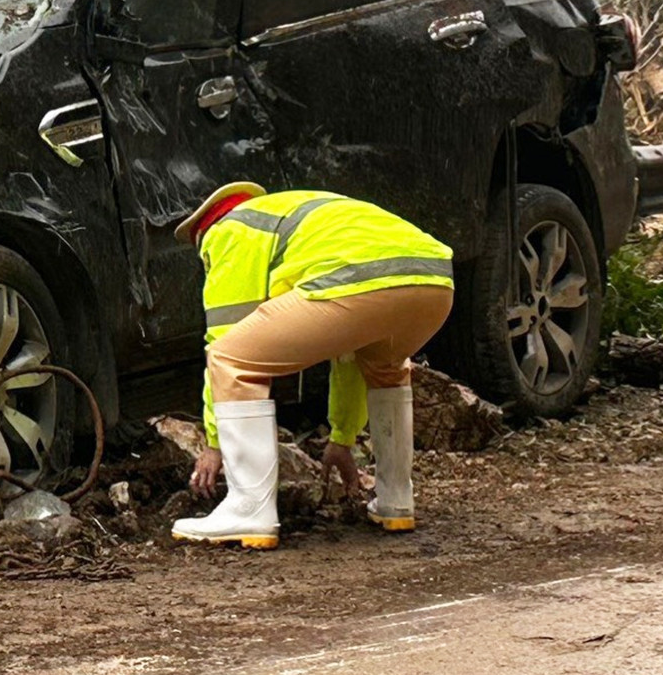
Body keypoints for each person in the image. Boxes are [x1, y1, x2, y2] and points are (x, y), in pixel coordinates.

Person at [171, 181, 455, 548]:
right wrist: (342, 438)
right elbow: (349, 348)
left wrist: (214, 443)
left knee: (231, 358)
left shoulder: (229, 232)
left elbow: (224, 341)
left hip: (359, 281)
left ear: (203, 237)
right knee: (384, 367)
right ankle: (395, 499)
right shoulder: (293, 215)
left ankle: (249, 510)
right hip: (434, 280)